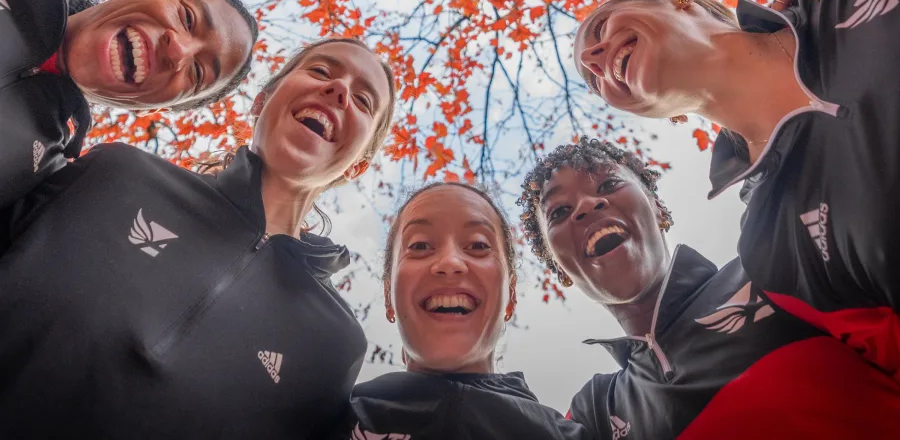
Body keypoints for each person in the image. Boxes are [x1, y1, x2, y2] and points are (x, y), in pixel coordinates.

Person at [0, 36, 397, 438]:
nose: (339, 90)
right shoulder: (119, 172)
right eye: (321, 71)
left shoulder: (335, 346)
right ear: (261, 101)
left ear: (357, 167)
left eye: (363, 101)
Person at [573, 0, 900, 380]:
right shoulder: (770, 246)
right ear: (651, 112)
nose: (593, 59)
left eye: (601, 29)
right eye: (594, 83)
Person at [518, 137, 900, 439]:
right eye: (559, 212)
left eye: (609, 183)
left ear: (657, 208)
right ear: (557, 265)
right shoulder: (595, 412)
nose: (586, 205)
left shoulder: (774, 268)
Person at [0, 0, 258, 207]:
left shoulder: (37, 188)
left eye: (197, 72)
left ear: (150, 109)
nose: (179, 50)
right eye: (187, 17)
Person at [331, 182, 586, 439]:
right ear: (388, 296)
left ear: (511, 297)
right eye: (419, 246)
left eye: (478, 245)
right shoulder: (321, 422)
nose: (450, 262)